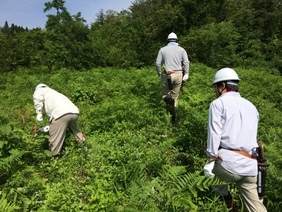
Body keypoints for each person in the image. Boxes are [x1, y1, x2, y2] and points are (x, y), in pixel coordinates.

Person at [203, 68, 267, 211]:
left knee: (209, 177)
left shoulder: (218, 104)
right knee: (256, 206)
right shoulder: (251, 106)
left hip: (229, 166)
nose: (215, 90)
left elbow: (214, 133)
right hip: (251, 166)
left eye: (216, 87)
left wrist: (210, 159)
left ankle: (228, 204)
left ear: (222, 86)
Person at [33, 83, 85, 156]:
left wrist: (39, 113)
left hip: (61, 113)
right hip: (74, 112)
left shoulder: (40, 90)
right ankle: (83, 147)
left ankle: (54, 156)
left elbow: (37, 98)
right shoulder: (54, 92)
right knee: (75, 130)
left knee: (55, 137)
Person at [155, 32, 190, 123]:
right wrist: (186, 73)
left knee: (165, 95)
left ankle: (168, 112)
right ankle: (173, 118)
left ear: (168, 40)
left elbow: (158, 63)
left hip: (167, 75)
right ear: (176, 40)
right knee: (175, 97)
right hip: (178, 74)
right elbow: (186, 62)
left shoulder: (162, 50)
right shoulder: (182, 50)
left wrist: (159, 74)